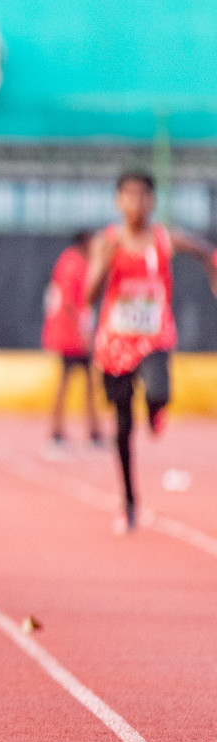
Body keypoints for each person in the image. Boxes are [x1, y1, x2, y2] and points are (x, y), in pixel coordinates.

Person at [86, 170, 217, 533]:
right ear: (118, 201)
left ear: (153, 201)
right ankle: (129, 500)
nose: (136, 203)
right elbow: (89, 296)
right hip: (115, 341)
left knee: (159, 391)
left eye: (143, 196)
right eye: (128, 195)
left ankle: (156, 408)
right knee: (122, 425)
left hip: (154, 335)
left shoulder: (164, 239)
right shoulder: (106, 242)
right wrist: (105, 264)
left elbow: (206, 251)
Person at [43, 230, 102, 449]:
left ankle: (93, 430)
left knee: (86, 382)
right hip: (70, 336)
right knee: (68, 382)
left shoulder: (81, 262)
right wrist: (81, 334)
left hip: (74, 333)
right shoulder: (72, 264)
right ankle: (58, 429)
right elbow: (68, 303)